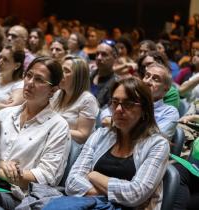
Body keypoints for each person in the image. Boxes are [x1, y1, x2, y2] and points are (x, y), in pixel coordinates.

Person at [54, 77, 169, 209]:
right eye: (115, 102)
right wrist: (116, 197)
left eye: (128, 104)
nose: (119, 109)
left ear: (144, 110)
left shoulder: (158, 145)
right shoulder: (100, 135)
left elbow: (135, 194)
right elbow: (72, 182)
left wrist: (93, 176)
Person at [0, 56, 71, 209]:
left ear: (53, 90)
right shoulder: (5, 114)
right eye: (28, 75)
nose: (29, 83)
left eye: (39, 80)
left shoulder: (58, 126)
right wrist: (0, 164)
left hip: (14, 195)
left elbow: (45, 177)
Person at [51, 55, 99, 144]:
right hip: (54, 142)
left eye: (66, 71)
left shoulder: (87, 100)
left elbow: (83, 136)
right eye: (61, 70)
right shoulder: (58, 94)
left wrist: (53, 129)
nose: (61, 74)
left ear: (78, 77)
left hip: (73, 149)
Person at [90, 39, 118, 108]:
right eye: (97, 54)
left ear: (114, 58)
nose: (99, 58)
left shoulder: (117, 84)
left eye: (104, 54)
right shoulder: (88, 76)